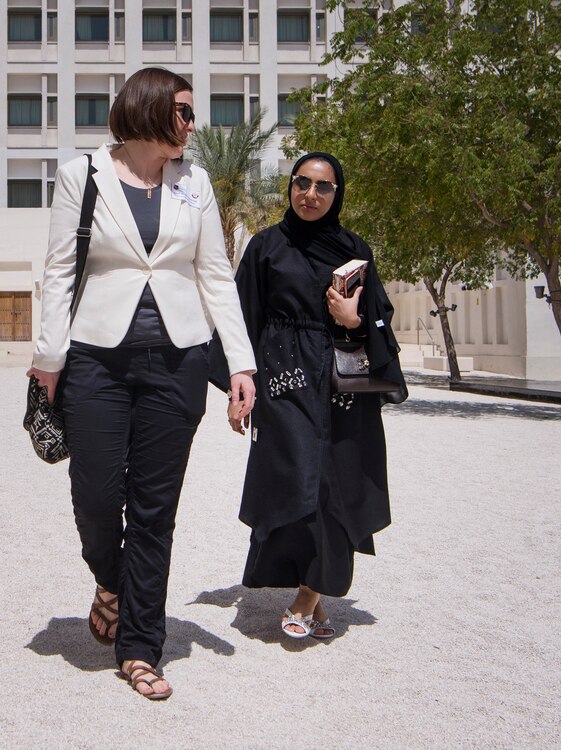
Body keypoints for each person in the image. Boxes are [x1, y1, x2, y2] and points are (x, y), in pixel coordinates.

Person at [26, 67, 256, 700]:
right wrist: (49, 357)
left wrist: (240, 363)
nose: (192, 124)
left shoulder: (195, 183)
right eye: (183, 111)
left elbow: (215, 275)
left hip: (178, 362)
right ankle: (110, 579)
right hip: (96, 360)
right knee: (97, 494)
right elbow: (58, 270)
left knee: (155, 512)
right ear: (150, 110)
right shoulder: (83, 176)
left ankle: (140, 647)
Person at [211, 151, 406, 640]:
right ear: (290, 187)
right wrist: (238, 386)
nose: (310, 194)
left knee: (332, 483)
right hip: (284, 381)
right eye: (302, 183)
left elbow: (379, 319)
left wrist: (352, 320)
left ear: (337, 195)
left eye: (323, 187)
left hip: (342, 385)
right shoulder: (265, 247)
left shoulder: (353, 250)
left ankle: (308, 594)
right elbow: (241, 320)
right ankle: (314, 592)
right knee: (294, 479)